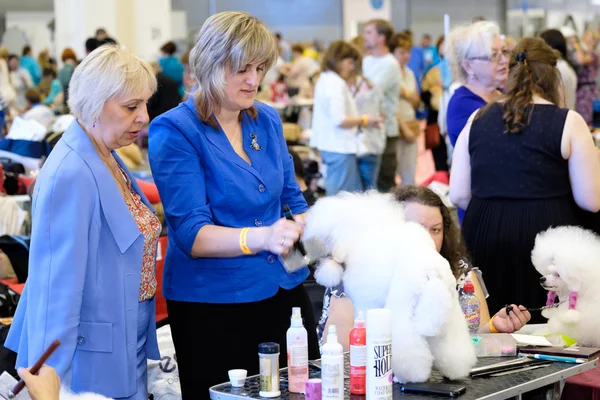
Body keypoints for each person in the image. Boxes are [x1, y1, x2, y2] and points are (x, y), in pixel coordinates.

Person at [148, 12, 320, 398]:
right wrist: (264, 237)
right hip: (214, 304)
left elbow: (293, 200)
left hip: (284, 288)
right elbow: (193, 235)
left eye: (260, 68)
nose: (254, 80)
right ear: (208, 64)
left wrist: (324, 241)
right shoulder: (175, 130)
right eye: (241, 69)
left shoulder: (268, 120)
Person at [6, 45, 161, 400]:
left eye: (144, 105)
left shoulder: (104, 154)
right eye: (131, 107)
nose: (144, 117)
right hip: (87, 360)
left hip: (122, 342)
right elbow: (55, 286)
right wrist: (51, 382)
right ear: (94, 104)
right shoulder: (72, 172)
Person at [449, 37, 600, 323]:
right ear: (554, 76)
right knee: (547, 327)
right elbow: (590, 201)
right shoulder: (567, 121)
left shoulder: (477, 117)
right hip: (546, 233)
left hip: (484, 231)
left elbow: (458, 194)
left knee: (489, 323)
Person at [316, 185, 531, 350]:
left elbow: (473, 338)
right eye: (417, 228)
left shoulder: (458, 270)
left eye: (435, 230)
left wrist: (494, 327)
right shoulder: (356, 273)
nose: (427, 238)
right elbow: (342, 351)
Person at [445, 20, 509, 223]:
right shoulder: (463, 105)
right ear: (468, 66)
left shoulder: (502, 94)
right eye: (493, 55)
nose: (503, 60)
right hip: (484, 210)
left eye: (504, 52)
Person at [311, 41, 381, 195]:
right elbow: (339, 119)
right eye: (349, 62)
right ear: (338, 60)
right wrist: (364, 120)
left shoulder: (325, 79)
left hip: (334, 146)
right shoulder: (335, 83)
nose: (351, 68)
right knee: (341, 199)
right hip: (339, 147)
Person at [362, 19, 401, 192]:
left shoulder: (390, 63)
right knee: (370, 185)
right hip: (369, 129)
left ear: (381, 37)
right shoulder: (367, 60)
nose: (365, 36)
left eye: (369, 32)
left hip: (386, 131)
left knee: (385, 183)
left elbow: (371, 90)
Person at [390, 32, 420, 186]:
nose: (406, 56)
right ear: (392, 52)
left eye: (408, 52)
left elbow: (416, 102)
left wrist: (405, 93)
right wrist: (404, 128)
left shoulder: (409, 73)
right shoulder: (389, 73)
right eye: (401, 52)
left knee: (410, 173)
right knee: (393, 172)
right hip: (396, 126)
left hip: (411, 121)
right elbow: (390, 106)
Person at [572, 29, 600, 127]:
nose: (584, 35)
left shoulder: (593, 54)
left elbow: (581, 60)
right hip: (583, 90)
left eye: (587, 34)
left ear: (593, 40)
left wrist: (575, 44)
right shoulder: (586, 52)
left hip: (587, 92)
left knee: (586, 119)